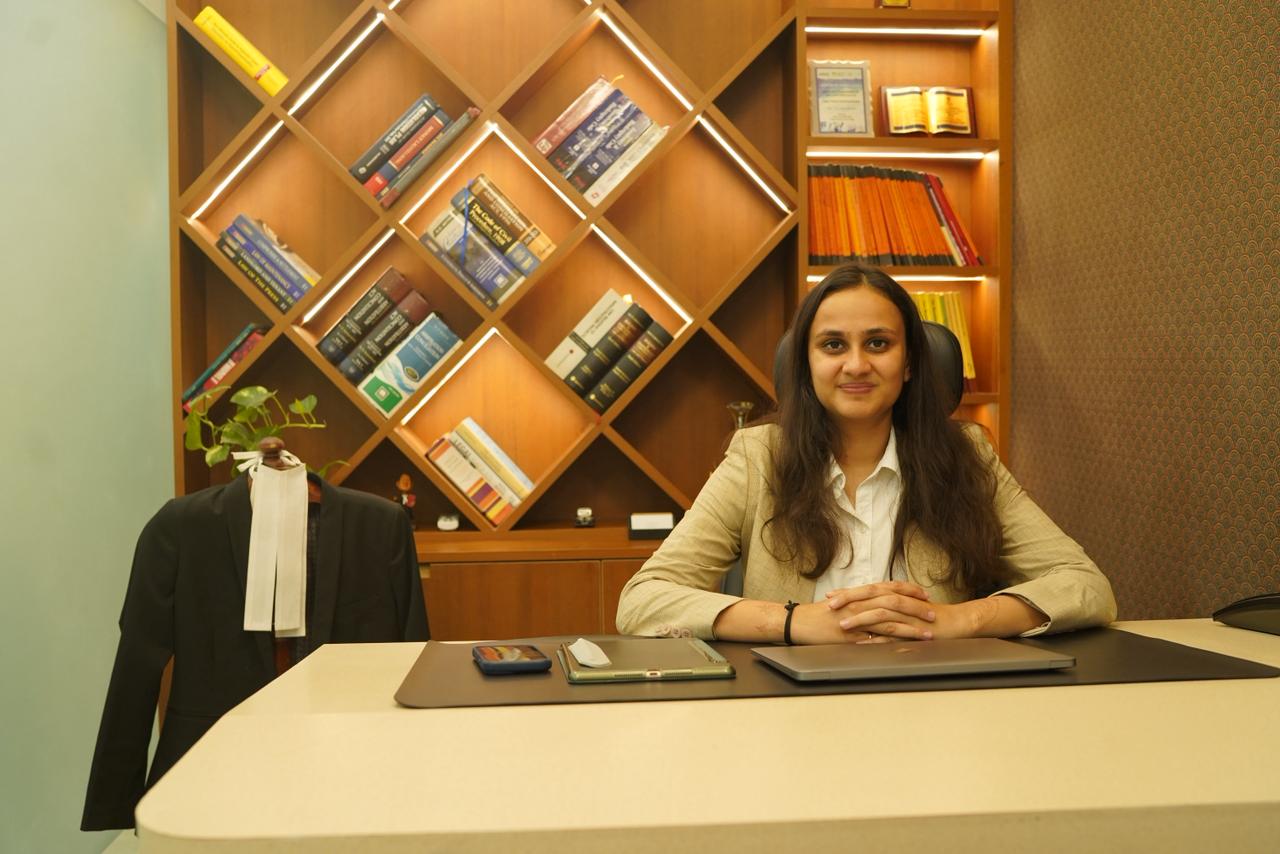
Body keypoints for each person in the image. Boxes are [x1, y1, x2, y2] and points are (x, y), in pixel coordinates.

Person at [616, 264, 1116, 644]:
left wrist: (959, 619)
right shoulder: (758, 458)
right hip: (788, 710)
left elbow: (1086, 586)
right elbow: (643, 600)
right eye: (833, 345)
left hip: (939, 708)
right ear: (806, 364)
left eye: (878, 343)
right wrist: (792, 622)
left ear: (910, 362)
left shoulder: (967, 455)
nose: (856, 365)